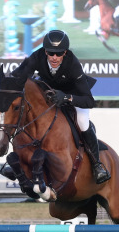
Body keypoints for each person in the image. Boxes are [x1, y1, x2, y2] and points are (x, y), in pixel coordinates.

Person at [7, 29, 111, 184]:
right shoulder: (38, 55)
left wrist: (67, 97)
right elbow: (18, 74)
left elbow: (89, 101)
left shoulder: (73, 64)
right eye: (50, 53)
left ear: (65, 53)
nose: (54, 57)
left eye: (59, 53)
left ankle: (97, 165)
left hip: (74, 97)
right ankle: (20, 160)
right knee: (27, 115)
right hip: (50, 96)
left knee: (83, 123)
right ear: (45, 51)